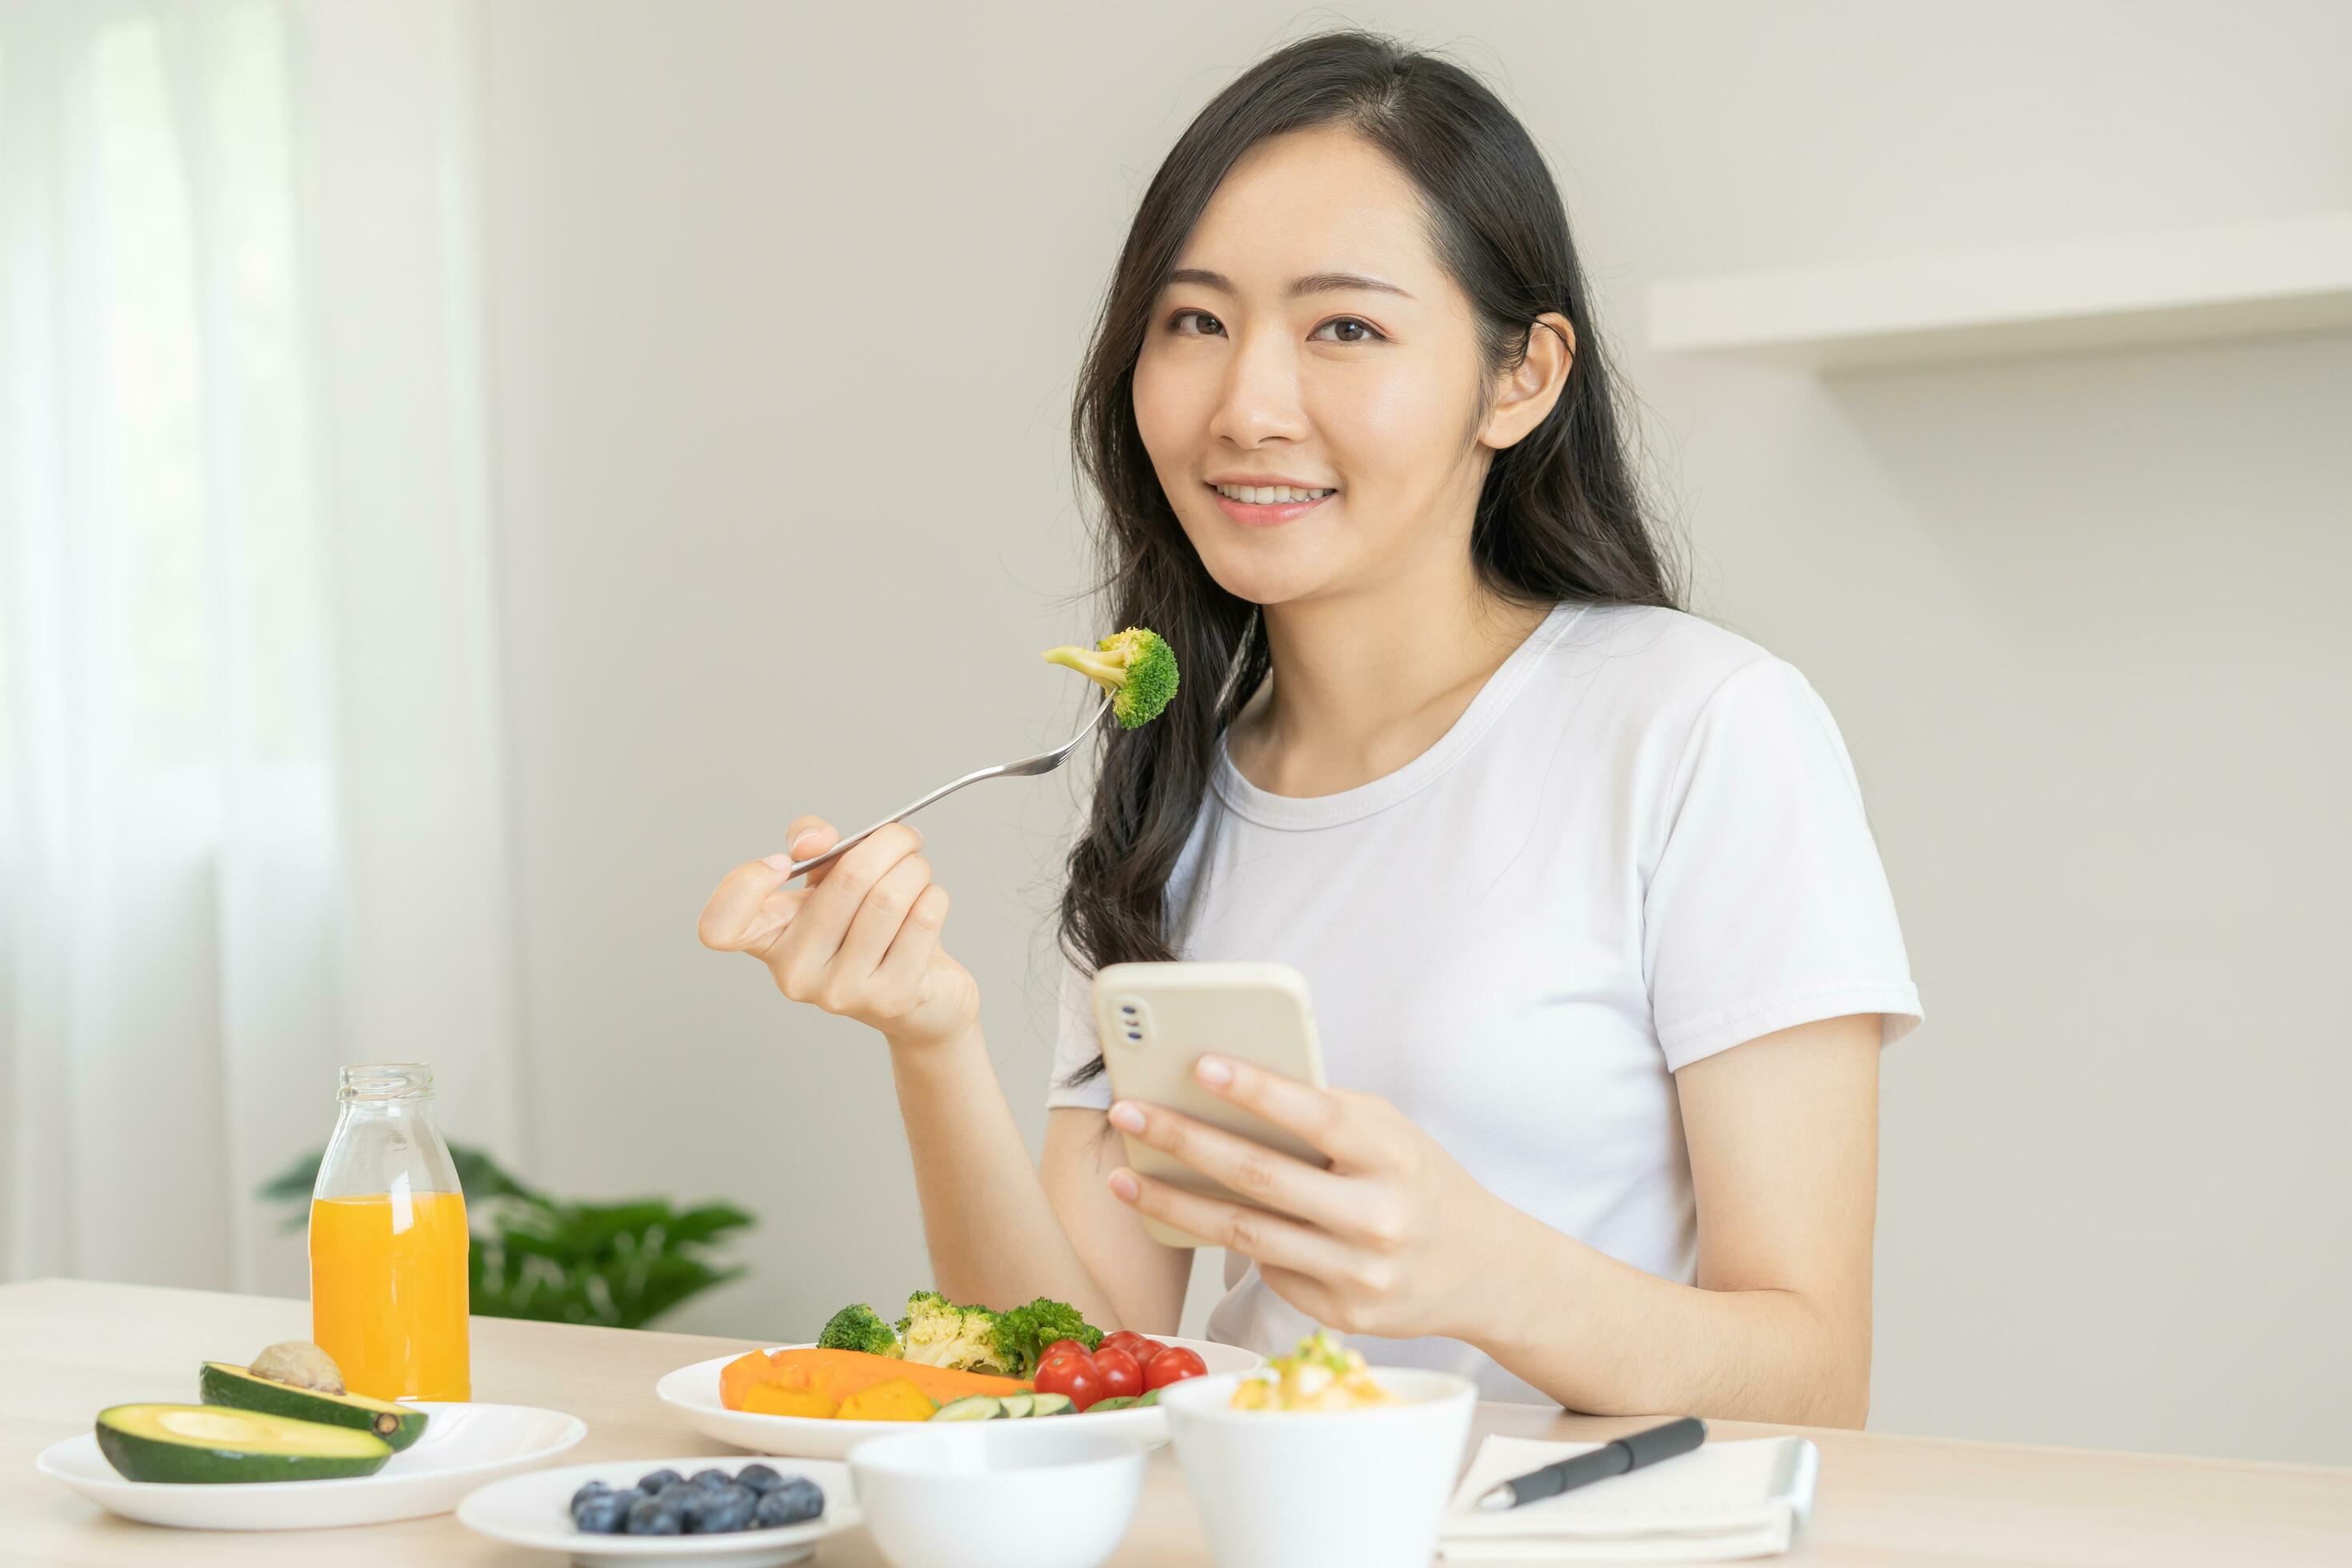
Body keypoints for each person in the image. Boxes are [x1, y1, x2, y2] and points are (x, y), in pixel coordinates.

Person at [698, 30, 1918, 1425]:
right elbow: (1076, 1370)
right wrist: (933, 1037)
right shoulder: (1169, 783)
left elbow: (1816, 1378)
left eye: (1345, 328)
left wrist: (1481, 1272)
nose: (1247, 406)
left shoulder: (1704, 730)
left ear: (1520, 378)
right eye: (1195, 322)